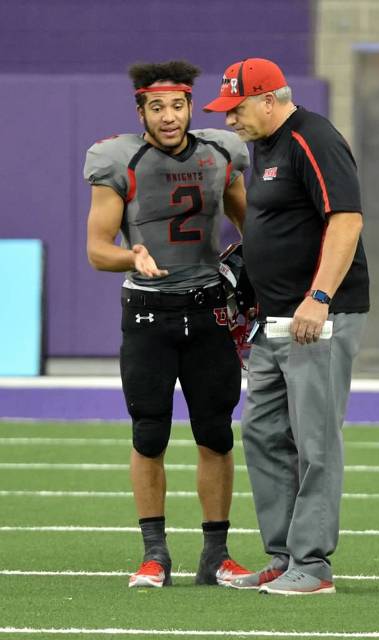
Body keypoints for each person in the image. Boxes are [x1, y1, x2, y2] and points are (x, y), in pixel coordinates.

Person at [204, 58, 369, 595]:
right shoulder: (265, 145)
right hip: (274, 320)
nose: (230, 119)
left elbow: (346, 219)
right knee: (263, 433)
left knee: (314, 440)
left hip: (317, 317)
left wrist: (319, 297)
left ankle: (314, 566)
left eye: (236, 108)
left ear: (269, 99)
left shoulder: (312, 138)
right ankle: (284, 555)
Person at [84, 60, 252, 589]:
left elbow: (249, 223)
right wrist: (131, 255)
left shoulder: (221, 153)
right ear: (141, 112)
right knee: (149, 433)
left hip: (208, 310)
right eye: (157, 107)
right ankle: (154, 554)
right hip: (148, 313)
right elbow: (97, 250)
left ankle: (216, 555)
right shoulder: (119, 158)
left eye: (177, 105)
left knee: (216, 434)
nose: (169, 116)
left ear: (190, 106)